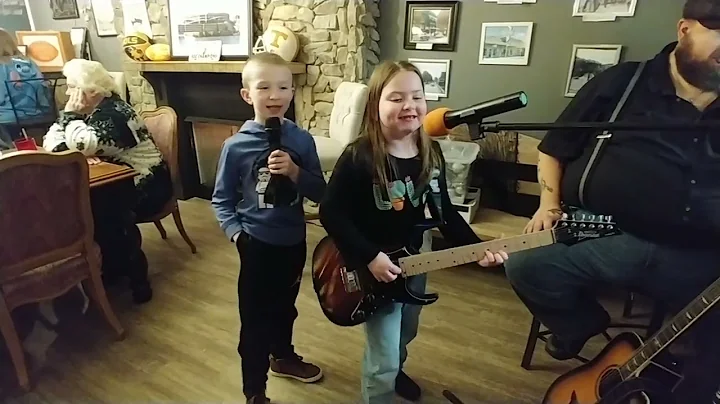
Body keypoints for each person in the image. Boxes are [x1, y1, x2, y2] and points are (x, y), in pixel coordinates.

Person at [503, 0, 720, 402]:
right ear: (685, 29)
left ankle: (677, 377)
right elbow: (554, 148)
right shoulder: (619, 83)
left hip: (700, 257)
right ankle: (583, 332)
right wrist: (548, 204)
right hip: (610, 236)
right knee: (526, 265)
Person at [318, 60, 508, 404]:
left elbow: (445, 213)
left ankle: (396, 369)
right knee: (382, 357)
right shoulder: (360, 155)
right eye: (396, 98)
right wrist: (369, 257)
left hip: (413, 258)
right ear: (375, 106)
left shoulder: (431, 152)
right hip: (369, 264)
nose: (409, 105)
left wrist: (479, 249)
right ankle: (383, 384)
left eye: (417, 96)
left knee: (407, 330)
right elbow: (330, 212)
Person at [211, 52, 326, 404]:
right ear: (248, 95)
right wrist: (238, 236)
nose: (274, 95)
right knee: (255, 320)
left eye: (282, 87)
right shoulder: (235, 147)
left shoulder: (303, 141)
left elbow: (321, 191)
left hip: (293, 242)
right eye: (264, 87)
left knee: (286, 307)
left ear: (293, 92)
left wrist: (294, 172)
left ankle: (283, 356)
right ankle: (254, 390)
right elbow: (221, 199)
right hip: (256, 244)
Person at [43, 58, 173, 304]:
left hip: (148, 182)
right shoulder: (92, 111)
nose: (67, 92)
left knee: (103, 212)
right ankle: (111, 265)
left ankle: (134, 278)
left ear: (91, 90)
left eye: (72, 86)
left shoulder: (114, 113)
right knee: (92, 206)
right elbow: (55, 141)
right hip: (118, 178)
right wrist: (72, 132)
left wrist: (70, 118)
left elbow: (81, 145)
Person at [0, 28, 48, 149]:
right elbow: (42, 89)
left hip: (9, 118)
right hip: (38, 113)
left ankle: (9, 155)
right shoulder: (29, 62)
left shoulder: (1, 66)